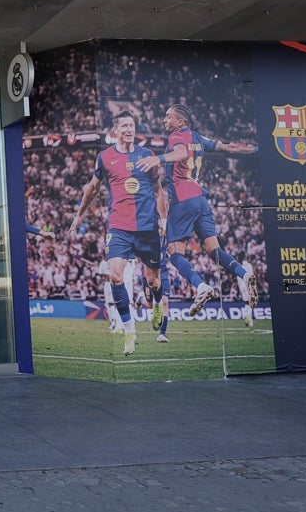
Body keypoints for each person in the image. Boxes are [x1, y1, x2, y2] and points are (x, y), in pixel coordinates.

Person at [136, 103, 258, 319]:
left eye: (168, 117)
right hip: (201, 200)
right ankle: (243, 272)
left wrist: (159, 158)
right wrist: (257, 149)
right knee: (214, 250)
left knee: (174, 254)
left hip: (183, 199)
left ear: (180, 121)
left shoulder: (176, 137)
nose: (165, 120)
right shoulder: (199, 138)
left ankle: (201, 287)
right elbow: (228, 148)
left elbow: (181, 153)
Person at [68, 110, 167, 356]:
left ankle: (156, 302)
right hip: (119, 227)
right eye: (124, 125)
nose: (129, 129)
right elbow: (92, 188)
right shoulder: (105, 157)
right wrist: (80, 213)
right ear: (115, 131)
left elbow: (158, 190)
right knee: (115, 276)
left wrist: (164, 218)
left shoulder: (148, 155)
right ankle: (129, 331)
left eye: (132, 125)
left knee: (153, 281)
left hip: (147, 228)